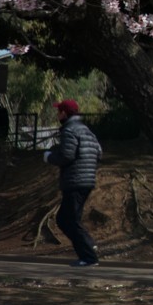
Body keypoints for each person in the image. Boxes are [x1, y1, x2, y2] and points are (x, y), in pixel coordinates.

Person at [44, 99, 103, 267]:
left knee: (66, 219)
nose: (57, 115)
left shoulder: (70, 130)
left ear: (64, 113)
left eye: (59, 112)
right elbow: (99, 152)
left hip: (75, 181)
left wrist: (49, 157)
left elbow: (67, 156)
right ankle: (88, 247)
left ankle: (89, 256)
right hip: (86, 180)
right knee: (67, 218)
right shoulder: (86, 130)